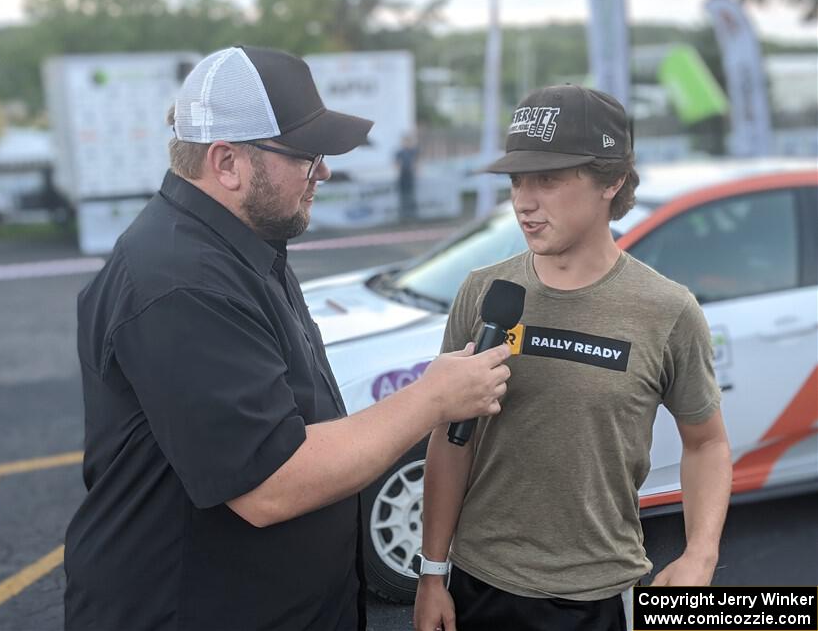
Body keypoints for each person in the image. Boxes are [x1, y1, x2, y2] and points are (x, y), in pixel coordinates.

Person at [64, 46, 511, 631]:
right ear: (227, 163)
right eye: (306, 154)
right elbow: (268, 484)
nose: (322, 170)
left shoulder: (235, 244)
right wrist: (432, 398)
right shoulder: (181, 282)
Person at [413, 85, 732, 631]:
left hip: (601, 595)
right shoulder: (483, 292)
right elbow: (450, 437)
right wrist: (432, 573)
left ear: (612, 180)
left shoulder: (667, 310)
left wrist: (700, 553)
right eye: (517, 180)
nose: (523, 201)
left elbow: (706, 443)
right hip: (477, 584)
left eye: (548, 180)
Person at [395, 132, 419, 221]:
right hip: (403, 175)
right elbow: (397, 164)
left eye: (409, 141)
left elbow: (416, 163)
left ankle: (412, 215)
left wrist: (416, 170)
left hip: (410, 175)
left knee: (411, 195)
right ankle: (404, 215)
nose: (407, 143)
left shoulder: (414, 151)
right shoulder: (400, 152)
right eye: (405, 141)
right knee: (403, 196)